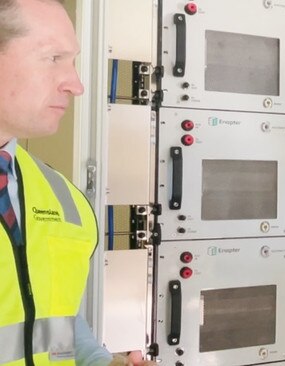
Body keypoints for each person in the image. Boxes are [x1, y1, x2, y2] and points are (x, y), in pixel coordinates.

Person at [0, 0, 155, 365]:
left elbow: (55, 333)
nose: (76, 84)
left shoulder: (62, 199)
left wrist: (104, 363)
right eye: (54, 58)